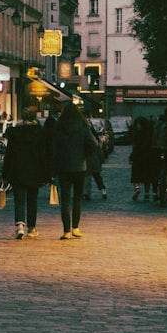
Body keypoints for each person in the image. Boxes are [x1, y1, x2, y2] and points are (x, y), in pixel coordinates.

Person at [1, 107, 50, 239]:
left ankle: (20, 226)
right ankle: (32, 228)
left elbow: (9, 154)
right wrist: (47, 174)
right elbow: (43, 155)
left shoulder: (15, 133)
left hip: (17, 170)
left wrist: (5, 174)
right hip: (35, 170)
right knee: (32, 200)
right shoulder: (39, 133)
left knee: (19, 199)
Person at [50, 103, 98, 240]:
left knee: (65, 200)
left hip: (63, 167)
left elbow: (53, 150)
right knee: (77, 198)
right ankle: (75, 227)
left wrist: (53, 169)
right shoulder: (83, 128)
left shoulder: (59, 128)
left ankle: (66, 231)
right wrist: (84, 155)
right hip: (79, 167)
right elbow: (94, 144)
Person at [129, 117, 158, 201]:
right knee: (147, 177)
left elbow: (136, 147)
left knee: (135, 175)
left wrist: (132, 157)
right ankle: (147, 194)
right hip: (148, 158)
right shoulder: (150, 134)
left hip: (138, 157)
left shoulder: (138, 135)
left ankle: (137, 188)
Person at [83, 124, 107, 200]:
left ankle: (86, 193)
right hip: (95, 162)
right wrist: (101, 161)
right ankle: (103, 191)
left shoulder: (85, 139)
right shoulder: (96, 140)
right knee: (97, 177)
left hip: (87, 161)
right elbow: (100, 153)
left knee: (87, 178)